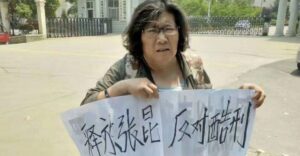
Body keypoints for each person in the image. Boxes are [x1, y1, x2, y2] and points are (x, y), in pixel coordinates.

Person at [81, 0, 266, 108]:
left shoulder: (194, 66)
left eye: (168, 29)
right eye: (152, 30)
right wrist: (122, 88)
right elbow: (86, 106)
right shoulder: (127, 67)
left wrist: (241, 98)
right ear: (139, 36)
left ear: (179, 33)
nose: (162, 38)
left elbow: (210, 108)